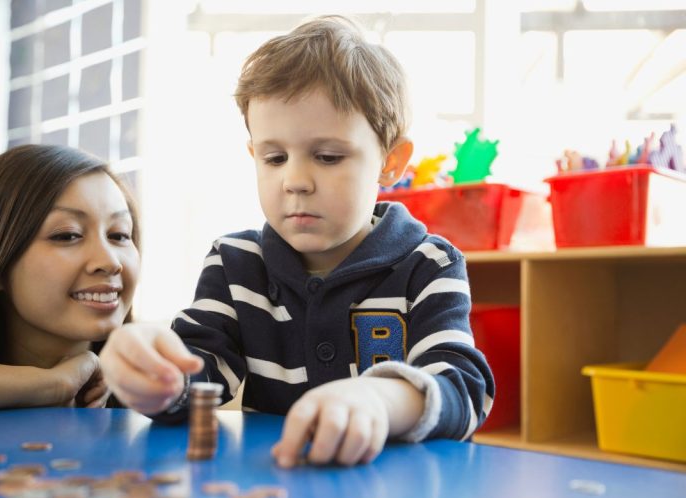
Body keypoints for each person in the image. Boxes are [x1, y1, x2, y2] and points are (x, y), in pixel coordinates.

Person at [100, 15, 494, 468]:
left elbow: (464, 389)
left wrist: (381, 399)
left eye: (327, 157)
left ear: (390, 162)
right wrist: (156, 374)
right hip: (277, 485)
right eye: (275, 157)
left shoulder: (430, 263)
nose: (295, 181)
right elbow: (198, 377)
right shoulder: (234, 264)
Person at [0, 144, 141, 414]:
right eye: (68, 235)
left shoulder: (159, 382)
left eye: (119, 235)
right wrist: (50, 386)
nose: (110, 262)